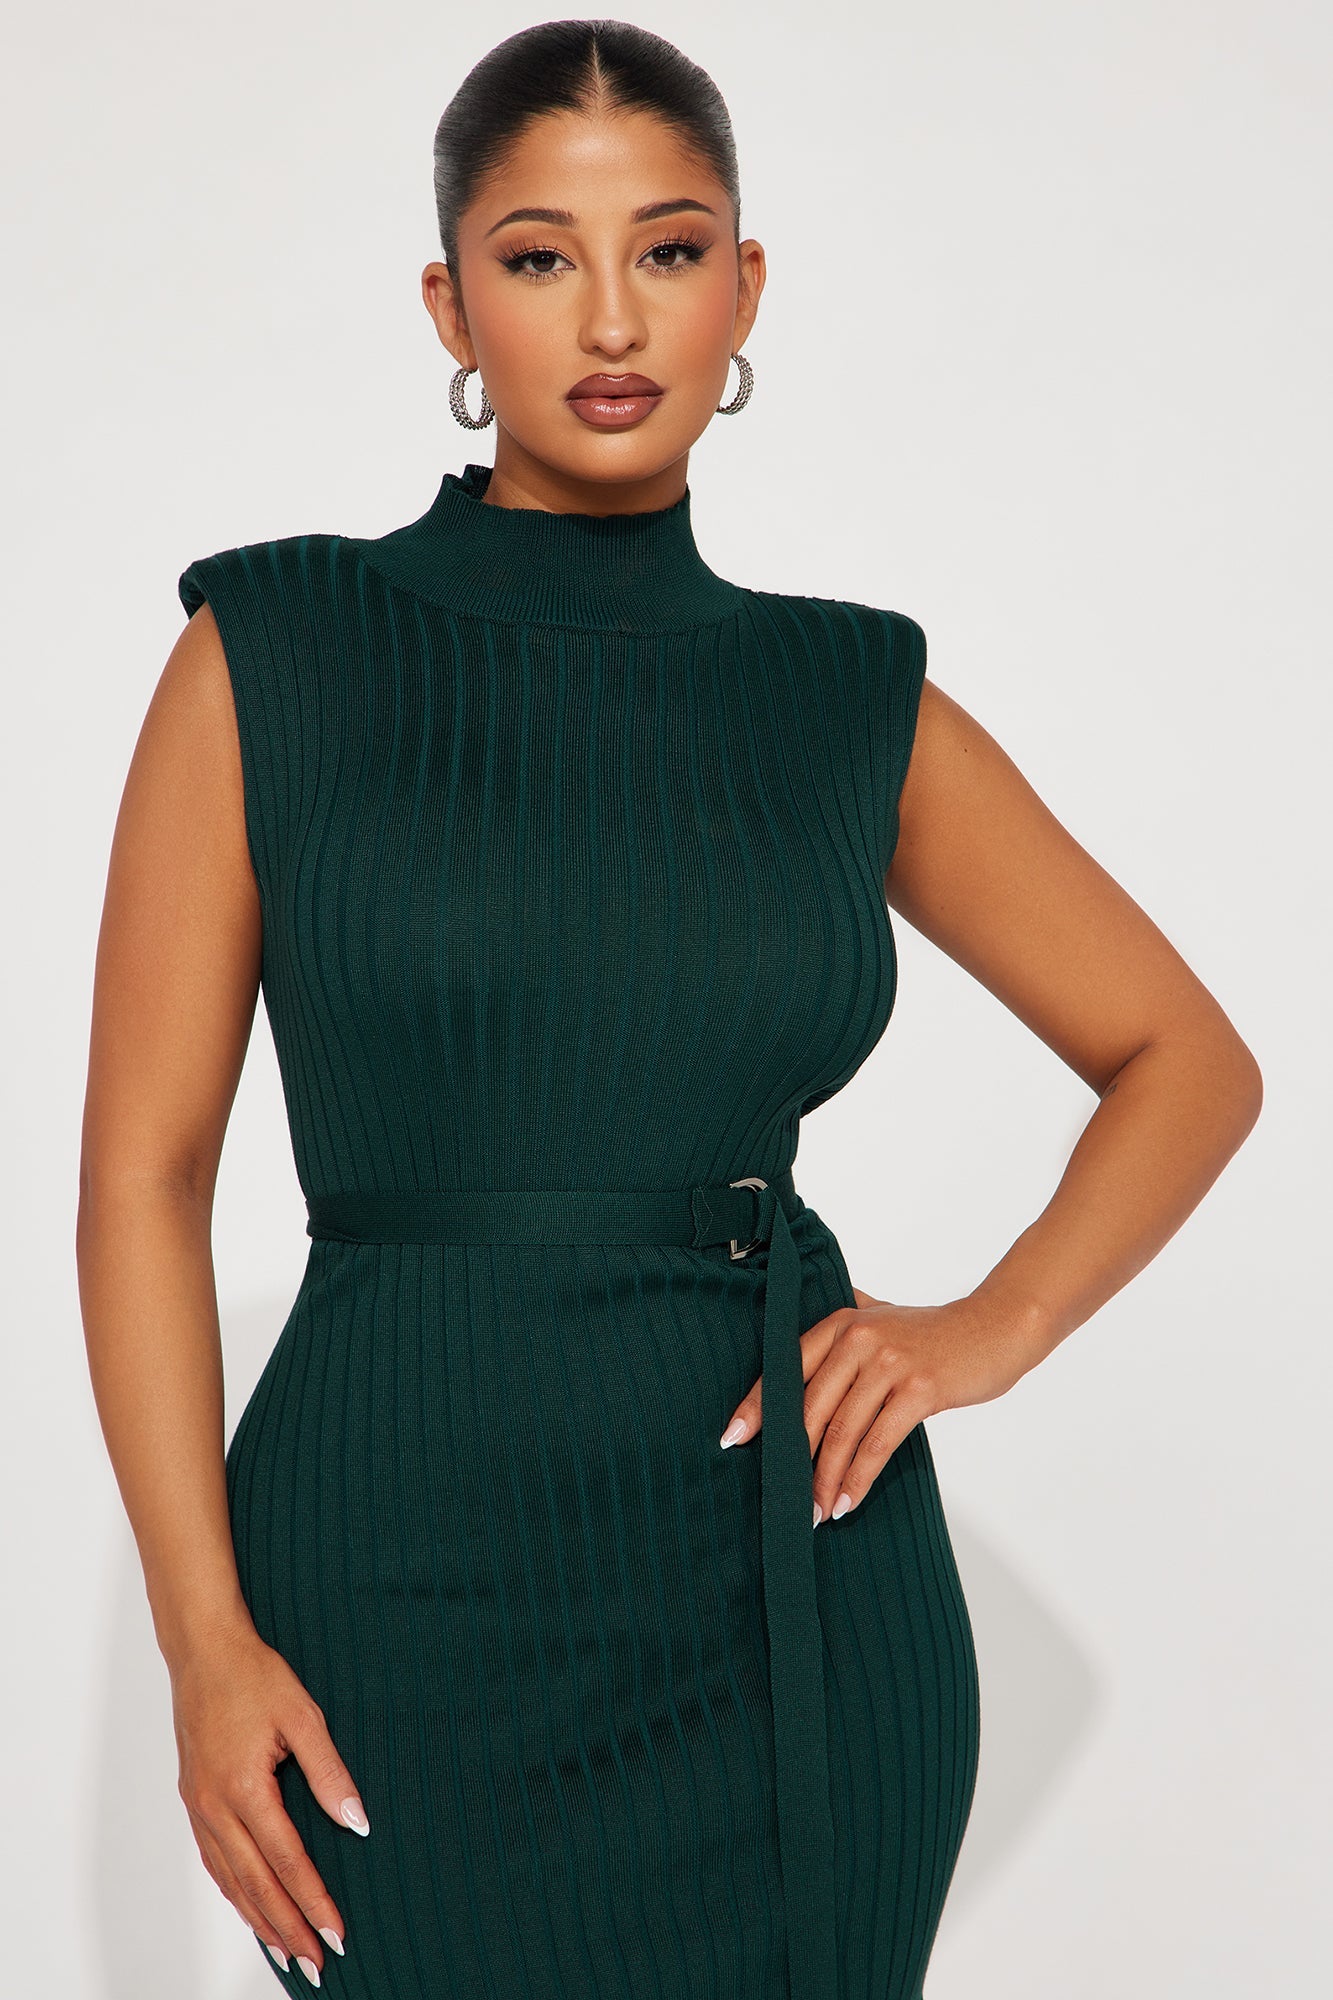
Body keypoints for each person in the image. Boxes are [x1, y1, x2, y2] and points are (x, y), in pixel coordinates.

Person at [76, 19, 1262, 1999]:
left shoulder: (844, 699)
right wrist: (202, 1642)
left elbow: (1188, 1060)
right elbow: (143, 1176)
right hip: (390, 1603)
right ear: (450, 306)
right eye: (540, 257)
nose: (613, 316)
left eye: (672, 248)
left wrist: (992, 1324)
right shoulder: (270, 653)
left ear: (745, 290)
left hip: (784, 1605)